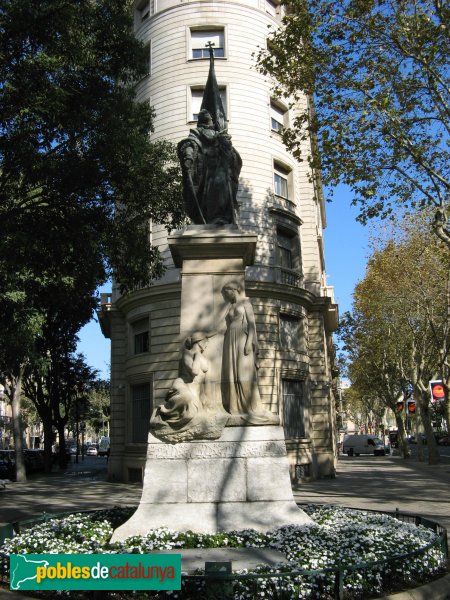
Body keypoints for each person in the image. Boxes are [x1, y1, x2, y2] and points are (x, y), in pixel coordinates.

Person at [221, 282, 279, 425]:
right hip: (230, 339)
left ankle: (251, 406)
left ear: (233, 290)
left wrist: (249, 342)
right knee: (232, 374)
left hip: (241, 337)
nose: (225, 296)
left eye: (226, 292)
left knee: (243, 374)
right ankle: (235, 407)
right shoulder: (231, 306)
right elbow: (225, 327)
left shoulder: (245, 303)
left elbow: (252, 324)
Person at [177, 109, 242, 225]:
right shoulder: (196, 133)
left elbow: (231, 153)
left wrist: (226, 145)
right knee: (207, 194)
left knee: (221, 190)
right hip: (204, 171)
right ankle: (209, 218)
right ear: (206, 122)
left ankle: (220, 216)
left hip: (220, 169)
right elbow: (189, 144)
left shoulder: (218, 134)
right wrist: (189, 157)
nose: (212, 122)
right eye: (210, 120)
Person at [157, 332, 210, 428]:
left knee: (195, 415)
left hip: (195, 390)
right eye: (206, 342)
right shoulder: (187, 353)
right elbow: (195, 372)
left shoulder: (204, 359)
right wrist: (197, 355)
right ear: (199, 342)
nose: (207, 345)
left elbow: (205, 374)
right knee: (187, 399)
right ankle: (163, 412)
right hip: (183, 384)